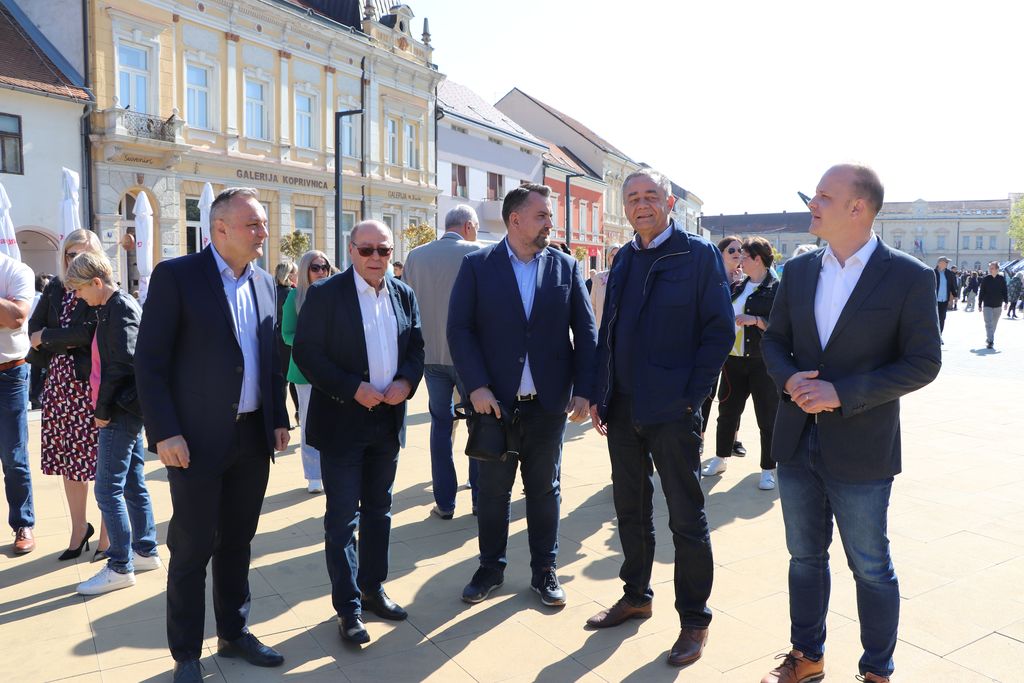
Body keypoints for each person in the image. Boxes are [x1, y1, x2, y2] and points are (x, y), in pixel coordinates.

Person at [759, 164, 941, 683]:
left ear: (857, 208)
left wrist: (843, 393)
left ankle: (877, 670)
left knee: (870, 565)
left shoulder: (908, 276)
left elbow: (924, 362)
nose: (811, 204)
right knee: (804, 558)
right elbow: (775, 341)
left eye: (822, 196)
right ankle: (807, 655)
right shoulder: (798, 271)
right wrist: (789, 379)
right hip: (796, 441)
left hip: (863, 447)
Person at [135, 187, 290, 682]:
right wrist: (165, 432)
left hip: (252, 438)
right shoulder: (178, 276)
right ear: (219, 228)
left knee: (238, 542)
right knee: (192, 548)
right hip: (195, 442)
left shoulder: (264, 283)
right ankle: (186, 654)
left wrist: (279, 418)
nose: (263, 232)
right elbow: (150, 363)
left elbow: (270, 358)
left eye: (263, 223)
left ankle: (233, 632)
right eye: (253, 224)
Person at [586, 169, 733, 667]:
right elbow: (608, 331)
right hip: (623, 408)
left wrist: (693, 398)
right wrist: (601, 393)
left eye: (651, 195)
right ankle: (636, 596)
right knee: (629, 509)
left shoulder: (698, 255)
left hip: (673, 411)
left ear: (669, 203)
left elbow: (718, 332)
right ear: (624, 206)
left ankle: (694, 620)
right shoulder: (624, 257)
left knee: (686, 517)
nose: (641, 204)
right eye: (633, 197)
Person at [448, 183, 596, 608]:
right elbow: (459, 329)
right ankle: (490, 568)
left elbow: (586, 332)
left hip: (548, 405)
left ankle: (544, 570)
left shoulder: (565, 266)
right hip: (494, 404)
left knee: (545, 490)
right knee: (493, 492)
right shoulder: (478, 265)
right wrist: (476, 386)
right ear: (515, 220)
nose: (551, 223)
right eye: (542, 215)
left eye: (550, 215)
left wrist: (585, 390)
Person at [292, 220, 424, 646]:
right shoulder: (326, 294)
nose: (375, 258)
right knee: (342, 519)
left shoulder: (403, 293)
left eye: (383, 250)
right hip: (342, 422)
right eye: (366, 250)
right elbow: (307, 353)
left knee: (379, 511)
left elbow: (416, 346)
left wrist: (406, 382)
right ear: (350, 250)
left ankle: (373, 589)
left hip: (387, 421)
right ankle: (348, 608)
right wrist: (352, 388)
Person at [65, 252, 160, 595]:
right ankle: (144, 551)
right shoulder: (112, 307)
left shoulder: (119, 308)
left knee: (107, 489)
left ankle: (120, 565)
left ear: (96, 282)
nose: (78, 297)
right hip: (124, 408)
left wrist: (102, 409)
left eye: (79, 290)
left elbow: (122, 366)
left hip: (120, 410)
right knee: (132, 482)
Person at [28, 228, 108, 561]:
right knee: (69, 463)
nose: (75, 260)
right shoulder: (56, 288)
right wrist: (57, 337)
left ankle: (108, 536)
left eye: (82, 253)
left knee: (103, 463)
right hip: (59, 387)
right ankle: (78, 529)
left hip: (91, 386)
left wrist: (49, 337)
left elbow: (87, 333)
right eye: (70, 254)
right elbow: (32, 329)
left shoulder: (102, 288)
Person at [403, 204, 481, 520]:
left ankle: (445, 502)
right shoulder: (478, 253)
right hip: (469, 357)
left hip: (430, 355)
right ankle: (479, 499)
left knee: (440, 425)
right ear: (468, 226)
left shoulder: (416, 256)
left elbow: (406, 304)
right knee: (478, 424)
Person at [702, 236, 781, 489]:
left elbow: (782, 326)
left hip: (762, 362)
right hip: (733, 360)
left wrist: (756, 320)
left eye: (744, 256)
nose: (740, 260)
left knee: (766, 417)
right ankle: (720, 458)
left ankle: (768, 468)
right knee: (727, 412)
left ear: (758, 259)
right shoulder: (738, 285)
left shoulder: (777, 288)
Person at [280, 250, 335, 493]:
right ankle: (314, 474)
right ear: (305, 270)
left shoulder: (336, 294)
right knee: (310, 424)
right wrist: (311, 344)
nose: (322, 271)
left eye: (325, 267)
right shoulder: (295, 297)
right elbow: (286, 334)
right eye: (315, 267)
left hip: (336, 369)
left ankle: (333, 469)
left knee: (336, 422)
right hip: (306, 371)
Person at [0, 251, 35, 554]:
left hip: (9, 373)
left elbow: (16, 318)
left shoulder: (15, 271)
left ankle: (23, 523)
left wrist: (8, 314)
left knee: (13, 456)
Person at [701, 235, 747, 456]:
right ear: (720, 254)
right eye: (732, 250)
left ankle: (733, 439)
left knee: (733, 397)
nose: (737, 253)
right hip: (711, 346)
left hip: (737, 350)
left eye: (740, 250)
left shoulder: (747, 281)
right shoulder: (711, 277)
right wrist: (731, 285)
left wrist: (740, 284)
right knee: (707, 394)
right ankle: (699, 437)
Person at [274, 261, 299, 424]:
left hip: (275, 339)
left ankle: (282, 419)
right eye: (295, 272)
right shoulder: (292, 294)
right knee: (292, 380)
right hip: (288, 341)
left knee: (281, 381)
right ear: (289, 275)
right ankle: (298, 412)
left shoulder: (272, 291)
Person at [589, 244, 620, 329]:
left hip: (620, 330)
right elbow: (592, 305)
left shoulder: (629, 278)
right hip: (601, 328)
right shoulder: (598, 277)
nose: (615, 258)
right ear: (608, 259)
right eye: (612, 255)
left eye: (618, 255)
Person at [978, 261, 1008, 349]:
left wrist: (1006, 302)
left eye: (992, 268)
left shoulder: (1001, 279)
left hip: (998, 305)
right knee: (988, 323)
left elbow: (1005, 291)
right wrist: (979, 304)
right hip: (987, 305)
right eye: (989, 268)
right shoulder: (986, 279)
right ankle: (991, 341)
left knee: (994, 324)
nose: (990, 270)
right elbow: (981, 292)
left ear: (997, 269)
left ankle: (989, 337)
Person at [933, 256, 956, 336]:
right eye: (946, 262)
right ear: (940, 263)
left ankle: (939, 335)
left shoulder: (949, 273)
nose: (947, 264)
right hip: (934, 300)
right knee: (934, 319)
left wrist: (955, 295)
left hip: (944, 300)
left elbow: (951, 285)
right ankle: (934, 335)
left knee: (942, 318)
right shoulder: (933, 272)